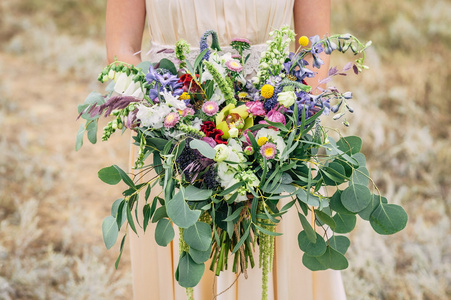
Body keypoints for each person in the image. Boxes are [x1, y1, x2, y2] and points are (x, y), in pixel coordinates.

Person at [105, 0, 346, 299]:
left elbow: (314, 54)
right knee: (188, 258)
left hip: (274, 144)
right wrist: (172, 123)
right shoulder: (171, 132)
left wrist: (269, 134)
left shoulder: (274, 139)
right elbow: (121, 47)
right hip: (171, 146)